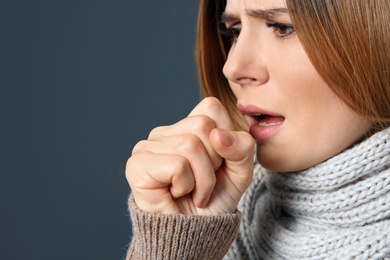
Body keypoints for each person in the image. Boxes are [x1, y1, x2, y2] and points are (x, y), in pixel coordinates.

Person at [125, 0, 390, 259]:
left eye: (281, 27)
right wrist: (174, 244)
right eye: (235, 31)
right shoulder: (229, 214)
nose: (232, 67)